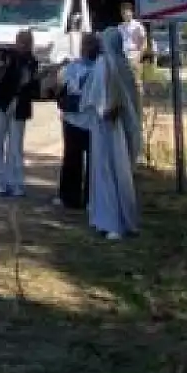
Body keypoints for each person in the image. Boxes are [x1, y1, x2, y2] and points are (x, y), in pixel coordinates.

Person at [83, 27, 142, 240]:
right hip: (121, 127)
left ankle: (111, 222)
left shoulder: (105, 64)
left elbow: (96, 97)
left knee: (105, 171)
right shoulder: (124, 64)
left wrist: (99, 110)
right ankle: (120, 219)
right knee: (120, 173)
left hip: (106, 125)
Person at [0, 28, 38, 198]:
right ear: (16, 42)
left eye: (28, 42)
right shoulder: (7, 55)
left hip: (19, 104)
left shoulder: (32, 61)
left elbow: (32, 88)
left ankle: (16, 182)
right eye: (22, 41)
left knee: (16, 145)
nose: (25, 45)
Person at [55, 33, 100, 210]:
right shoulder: (94, 68)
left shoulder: (76, 67)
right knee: (85, 160)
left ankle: (76, 198)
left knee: (78, 160)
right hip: (84, 120)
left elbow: (64, 86)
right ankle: (82, 198)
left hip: (79, 120)